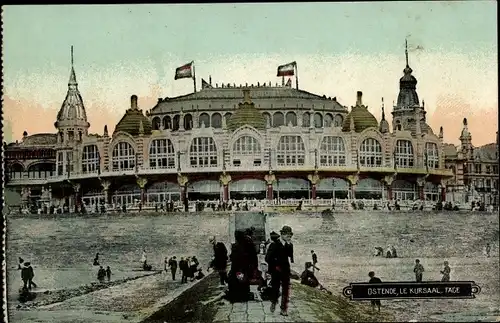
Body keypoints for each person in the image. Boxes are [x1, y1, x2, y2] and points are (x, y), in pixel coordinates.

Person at [266, 225, 294, 316]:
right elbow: (267, 258)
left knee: (286, 289)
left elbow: (290, 256)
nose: (288, 237)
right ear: (282, 234)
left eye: (290, 235)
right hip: (276, 270)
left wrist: (289, 245)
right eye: (287, 235)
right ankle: (273, 302)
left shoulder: (289, 244)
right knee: (275, 288)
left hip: (285, 270)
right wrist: (275, 266)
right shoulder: (274, 244)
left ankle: (283, 309)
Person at [227, 230, 252, 303]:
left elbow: (233, 258)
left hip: (237, 267)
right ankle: (243, 296)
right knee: (242, 281)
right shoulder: (245, 245)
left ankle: (237, 296)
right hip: (243, 267)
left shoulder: (235, 246)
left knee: (235, 280)